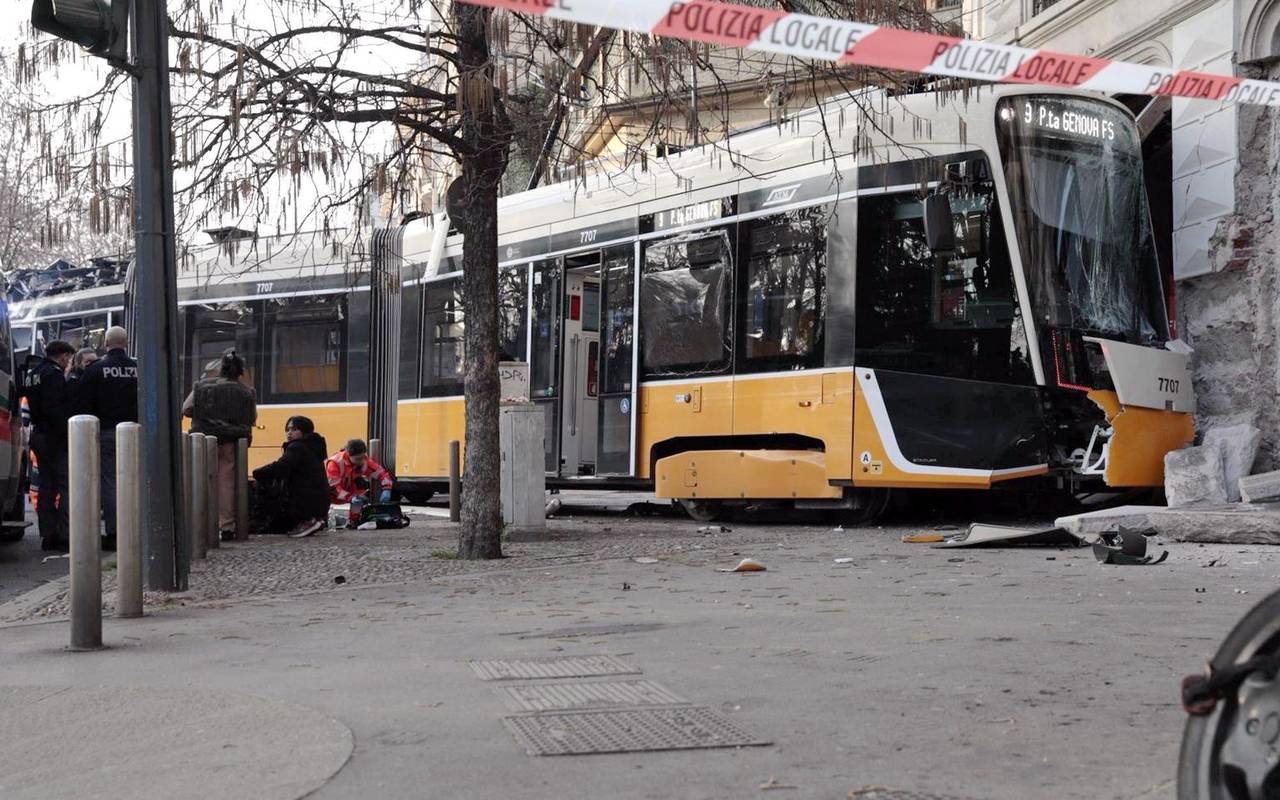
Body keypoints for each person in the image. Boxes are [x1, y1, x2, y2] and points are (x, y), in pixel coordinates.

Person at [183, 349, 257, 540]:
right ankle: (227, 526)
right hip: (231, 442)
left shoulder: (201, 386)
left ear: (221, 369)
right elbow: (252, 417)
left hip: (202, 440)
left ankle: (200, 523)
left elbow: (187, 408)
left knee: (201, 480)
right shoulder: (247, 391)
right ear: (240, 372)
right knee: (226, 483)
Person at [76, 326, 138, 551]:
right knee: (135, 481)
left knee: (110, 483)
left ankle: (115, 533)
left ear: (106, 343)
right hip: (136, 432)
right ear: (127, 342)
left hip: (107, 432)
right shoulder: (138, 368)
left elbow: (82, 403)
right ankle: (137, 528)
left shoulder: (95, 370)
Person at [26, 340, 74, 551]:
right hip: (54, 436)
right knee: (65, 484)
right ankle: (64, 533)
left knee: (46, 485)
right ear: (63, 356)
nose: (68, 362)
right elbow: (56, 409)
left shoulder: (34, 373)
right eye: (68, 358)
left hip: (38, 434)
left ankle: (47, 534)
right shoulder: (53, 375)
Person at [251, 415, 329, 538]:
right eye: (287, 430)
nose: (289, 433)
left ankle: (306, 520)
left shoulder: (297, 447)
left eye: (294, 429)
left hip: (305, 503)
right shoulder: (313, 446)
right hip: (319, 503)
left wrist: (257, 473)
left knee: (260, 485)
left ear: (304, 431)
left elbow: (280, 467)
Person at [325, 439, 394, 526]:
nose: (361, 461)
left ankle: (355, 520)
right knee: (322, 516)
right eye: (358, 459)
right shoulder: (335, 463)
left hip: (346, 490)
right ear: (348, 455)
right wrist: (350, 497)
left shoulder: (364, 461)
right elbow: (333, 488)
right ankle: (323, 518)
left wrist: (387, 489)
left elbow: (382, 474)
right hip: (328, 493)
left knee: (361, 489)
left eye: (362, 457)